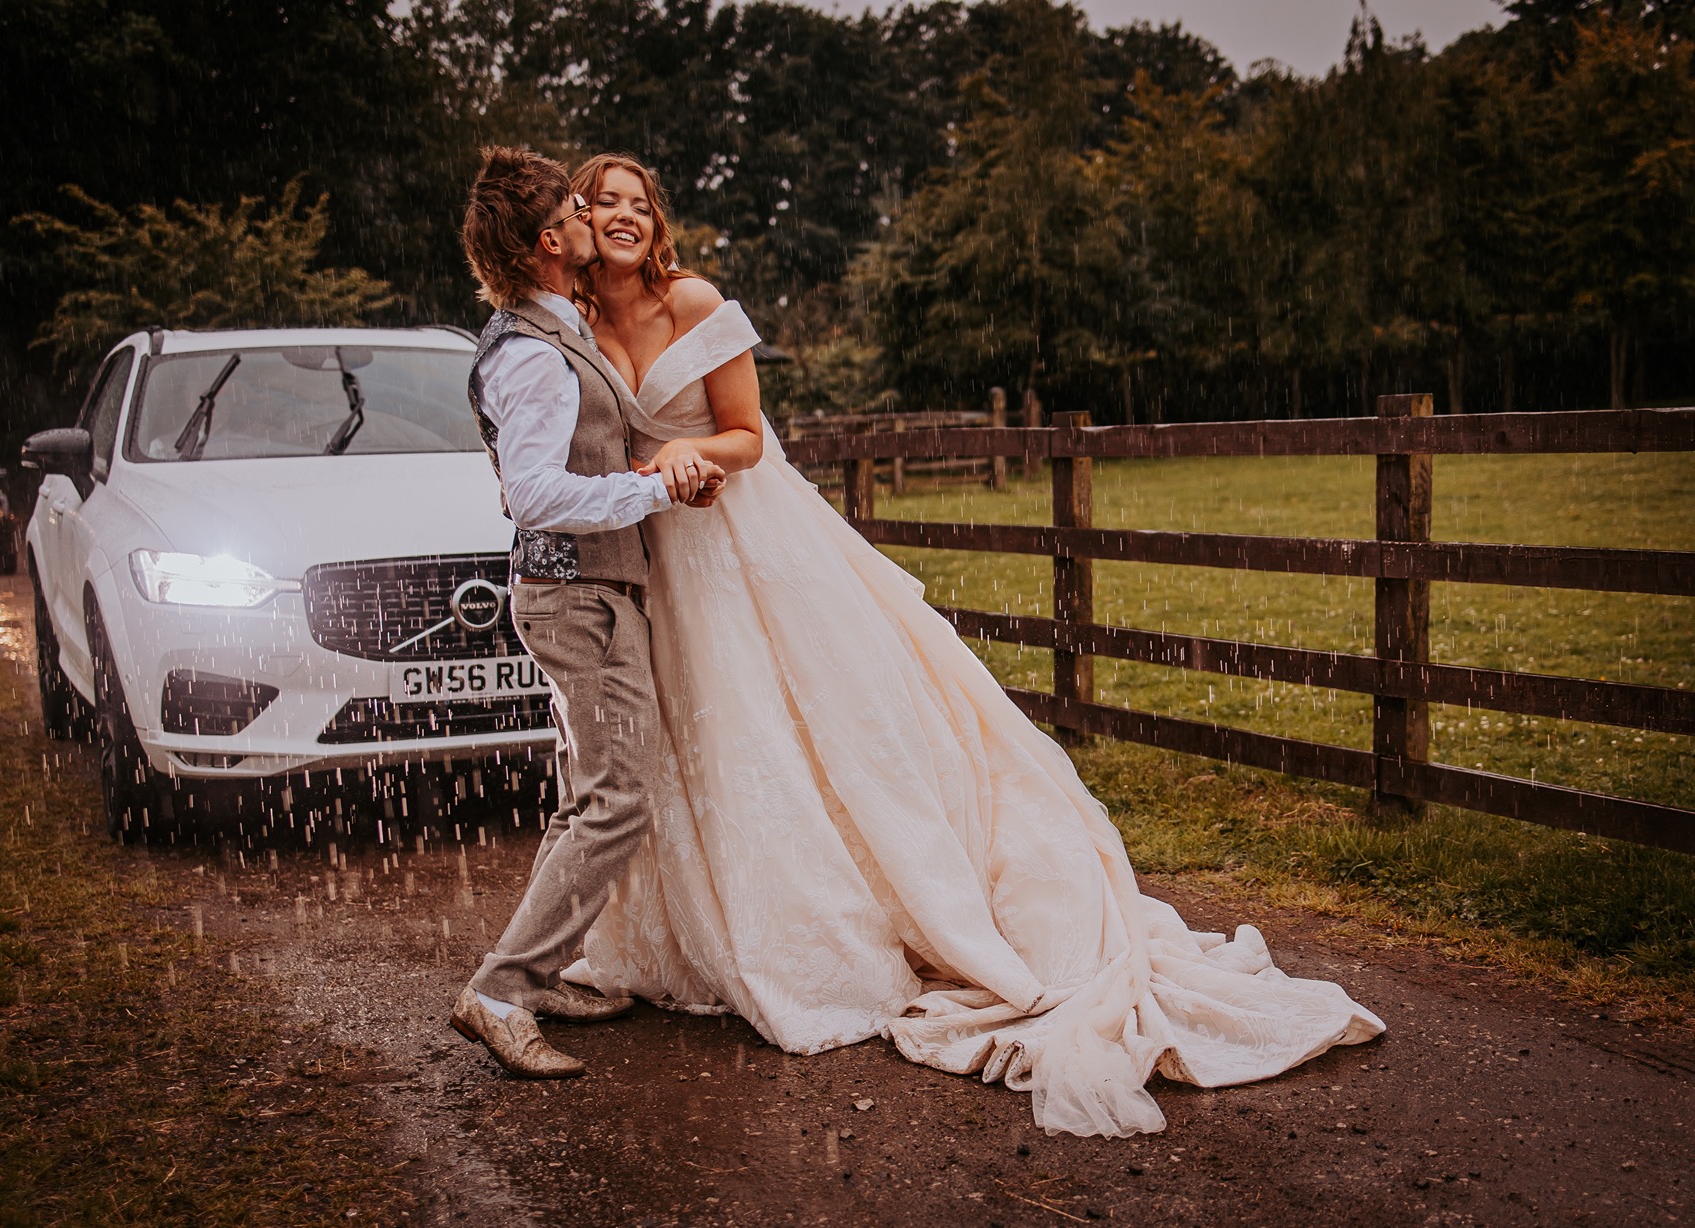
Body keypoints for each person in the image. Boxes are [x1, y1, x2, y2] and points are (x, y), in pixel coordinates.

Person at [558, 152, 1387, 1137]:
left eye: (637, 203)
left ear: (658, 223)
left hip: (746, 541)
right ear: (574, 221)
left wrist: (688, 453)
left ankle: (868, 923)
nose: (620, 216)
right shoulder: (573, 323)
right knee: (694, 737)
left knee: (805, 723)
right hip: (653, 552)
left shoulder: (692, 299)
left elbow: (745, 432)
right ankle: (716, 937)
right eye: (600, 201)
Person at [446, 147, 725, 1079]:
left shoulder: (548, 328)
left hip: (582, 592)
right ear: (548, 240)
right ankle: (500, 991)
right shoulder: (532, 354)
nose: (587, 214)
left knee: (584, 796)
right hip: (581, 596)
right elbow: (533, 494)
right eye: (573, 206)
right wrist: (651, 489)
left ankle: (544, 967)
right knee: (617, 801)